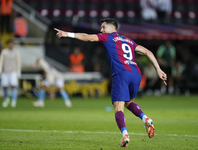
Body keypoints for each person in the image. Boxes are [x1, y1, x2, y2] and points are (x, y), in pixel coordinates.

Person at [54, 18, 167, 147]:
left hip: (121, 73)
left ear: (112, 28)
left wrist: (66, 34)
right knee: (129, 102)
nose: (101, 30)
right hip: (136, 73)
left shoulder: (107, 37)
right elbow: (148, 52)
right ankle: (145, 118)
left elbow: (86, 37)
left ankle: (125, 135)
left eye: (103, 27)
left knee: (118, 107)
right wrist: (158, 69)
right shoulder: (129, 41)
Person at [0, 39, 21, 108]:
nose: (11, 45)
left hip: (13, 72)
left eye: (12, 44)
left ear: (13, 44)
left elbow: (18, 62)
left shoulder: (16, 52)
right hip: (5, 72)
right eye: (10, 44)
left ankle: (14, 100)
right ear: (8, 44)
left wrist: (18, 72)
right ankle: (7, 98)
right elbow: (1, 61)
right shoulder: (4, 52)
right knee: (5, 86)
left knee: (14, 86)